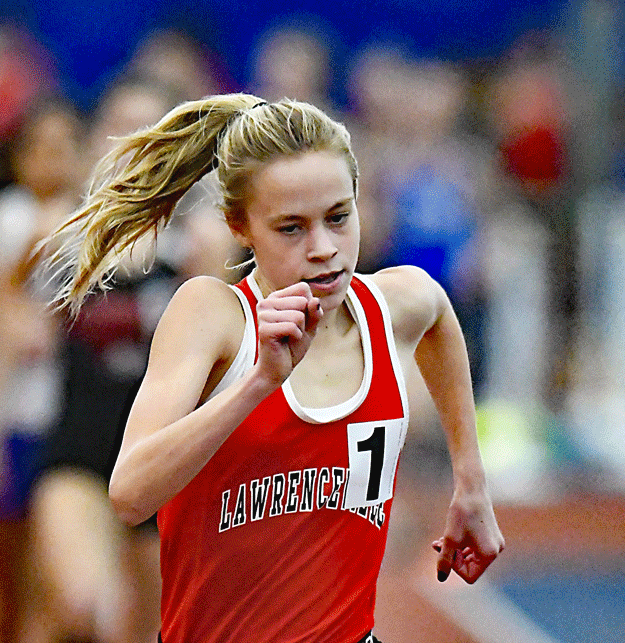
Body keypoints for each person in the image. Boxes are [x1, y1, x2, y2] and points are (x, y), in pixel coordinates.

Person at [46, 94, 505, 642]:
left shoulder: (395, 303)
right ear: (240, 226)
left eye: (339, 217)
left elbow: (439, 316)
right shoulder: (212, 317)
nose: (323, 249)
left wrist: (470, 481)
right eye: (291, 228)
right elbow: (129, 493)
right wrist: (257, 381)